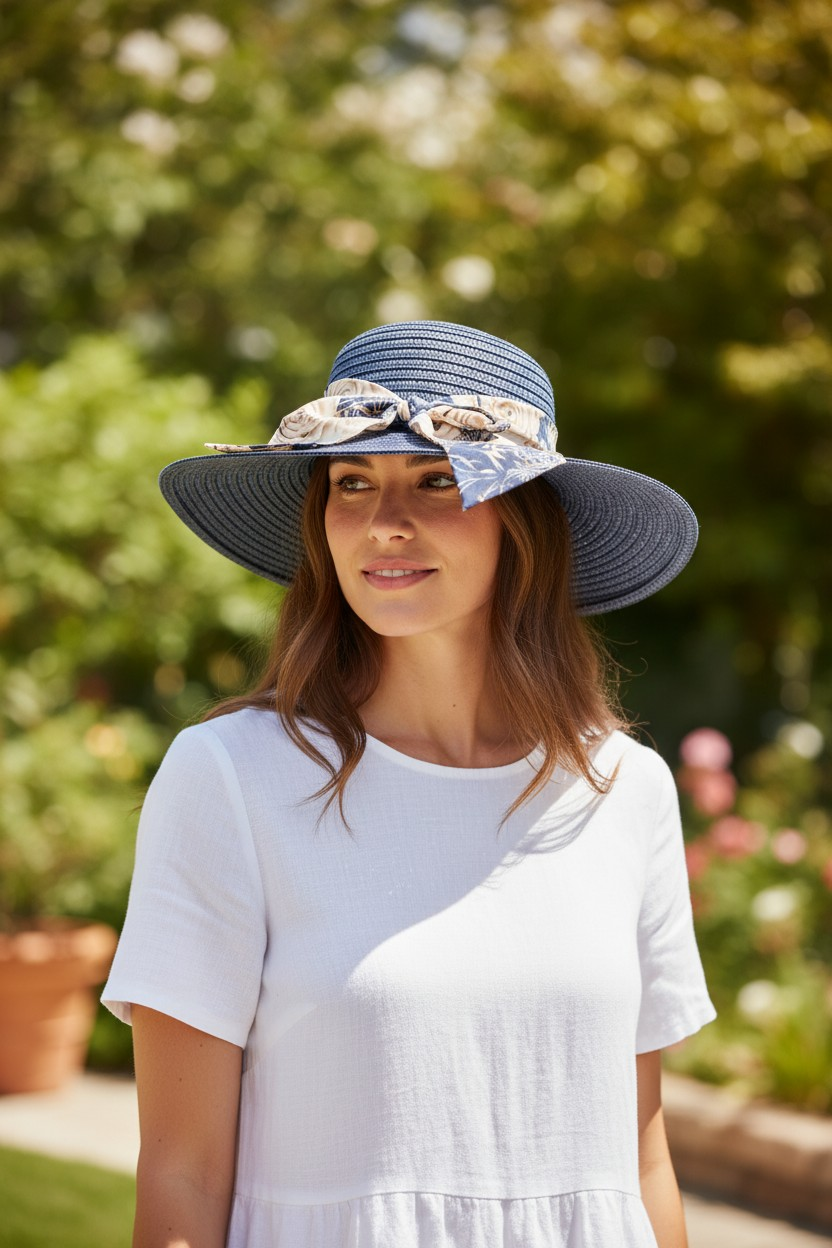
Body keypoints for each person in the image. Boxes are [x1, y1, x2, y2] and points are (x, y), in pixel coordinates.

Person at [102, 319, 717, 1248]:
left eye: (439, 479)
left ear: (526, 523)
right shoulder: (231, 777)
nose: (386, 520)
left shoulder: (625, 790)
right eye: (352, 482)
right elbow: (184, 1178)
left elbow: (639, 1166)